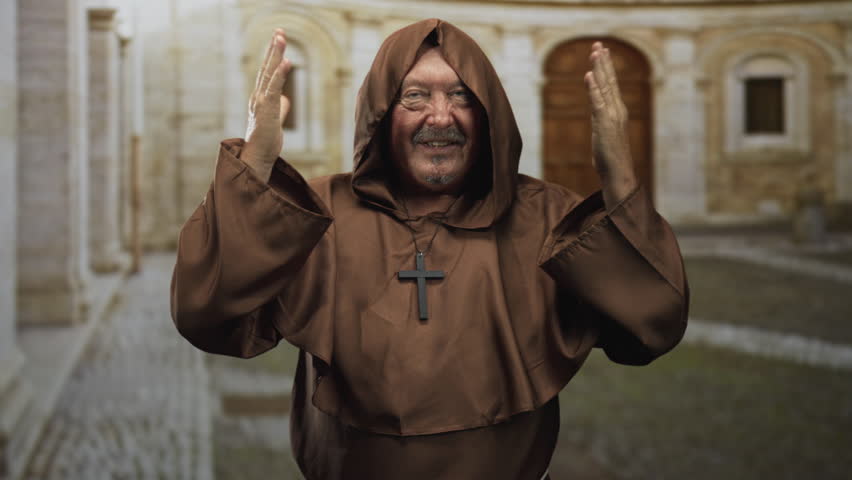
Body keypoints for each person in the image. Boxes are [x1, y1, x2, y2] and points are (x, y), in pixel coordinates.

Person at [171, 18, 688, 480]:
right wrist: (255, 168)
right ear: (379, 113)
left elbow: (653, 326)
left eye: (462, 96)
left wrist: (619, 178)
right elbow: (208, 314)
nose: (440, 116)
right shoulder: (319, 214)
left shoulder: (546, 217)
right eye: (414, 97)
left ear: (488, 114)